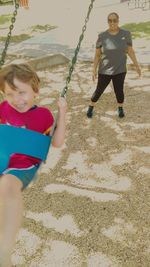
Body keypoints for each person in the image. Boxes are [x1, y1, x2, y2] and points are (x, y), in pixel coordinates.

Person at [0, 63, 67, 267]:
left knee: (7, 187)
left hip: (22, 166)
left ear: (35, 91)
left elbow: (56, 142)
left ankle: (3, 254)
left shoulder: (43, 115)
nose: (16, 100)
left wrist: (62, 113)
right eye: (9, 94)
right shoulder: (2, 109)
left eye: (22, 93)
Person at [87, 12, 141, 119]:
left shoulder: (126, 34)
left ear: (118, 21)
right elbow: (97, 55)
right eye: (110, 20)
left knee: (119, 91)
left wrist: (137, 66)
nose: (112, 23)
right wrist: (93, 70)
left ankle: (120, 108)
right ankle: (91, 106)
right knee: (99, 91)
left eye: (114, 20)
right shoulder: (102, 36)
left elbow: (130, 51)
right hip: (104, 70)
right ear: (107, 22)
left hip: (120, 69)